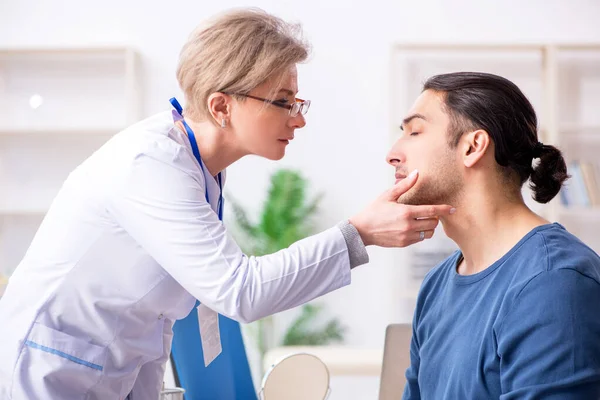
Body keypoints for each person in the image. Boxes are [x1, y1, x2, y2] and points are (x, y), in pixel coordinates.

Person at [0, 8, 456, 400]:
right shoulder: (149, 165)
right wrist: (359, 234)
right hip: (47, 373)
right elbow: (239, 291)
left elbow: (155, 319)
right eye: (282, 102)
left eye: (297, 101)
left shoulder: (201, 166)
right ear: (221, 107)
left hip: (107, 371)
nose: (298, 118)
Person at [391, 71, 600, 399]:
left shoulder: (554, 282)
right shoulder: (436, 285)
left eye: (415, 132)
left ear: (473, 147)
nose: (393, 154)